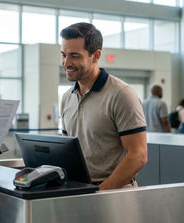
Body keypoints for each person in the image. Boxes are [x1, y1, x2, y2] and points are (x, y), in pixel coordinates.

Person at [59, 22, 148, 190]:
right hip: (79, 191)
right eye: (64, 55)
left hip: (114, 194)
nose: (66, 62)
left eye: (75, 56)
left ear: (96, 55)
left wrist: (99, 193)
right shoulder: (66, 98)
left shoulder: (121, 94)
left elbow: (138, 155)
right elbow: (68, 149)